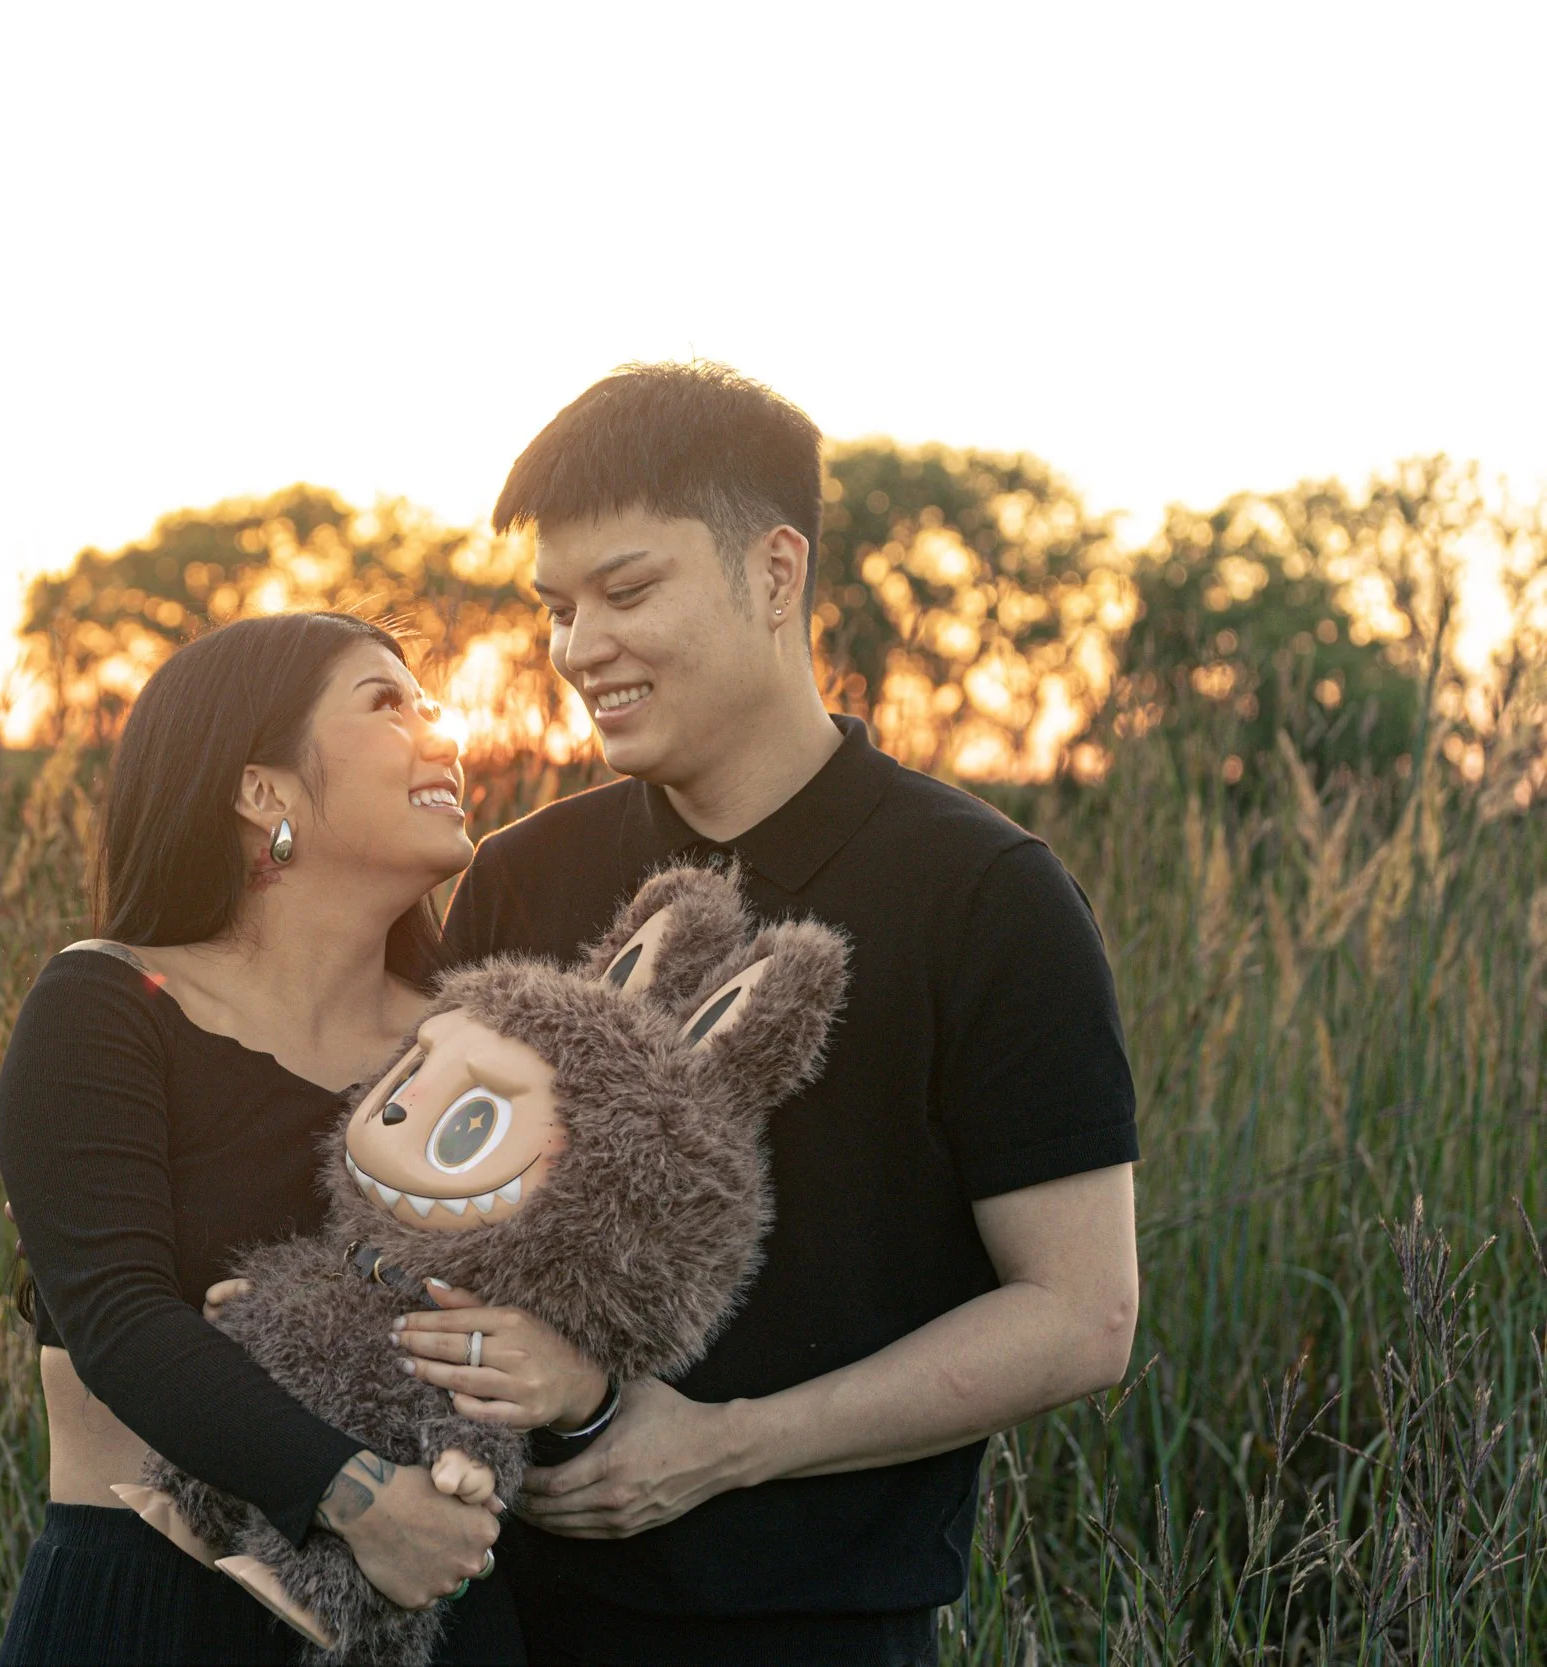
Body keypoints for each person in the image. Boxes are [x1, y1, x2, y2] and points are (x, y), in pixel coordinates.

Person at [393, 363, 1141, 1666]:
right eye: (560, 608)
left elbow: (1080, 1313)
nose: (579, 648)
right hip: (510, 1619)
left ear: (778, 569)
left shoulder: (986, 895)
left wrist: (726, 1447)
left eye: (628, 591)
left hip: (821, 1628)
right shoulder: (522, 875)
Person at [0, 611, 604, 1665]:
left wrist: (573, 1388)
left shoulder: (476, 1050)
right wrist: (356, 1497)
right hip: (156, 1606)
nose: (440, 731)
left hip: (435, 1622)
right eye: (386, 703)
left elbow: (566, 1311)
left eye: (428, 701)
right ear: (260, 790)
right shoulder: (110, 1001)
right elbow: (119, 1319)